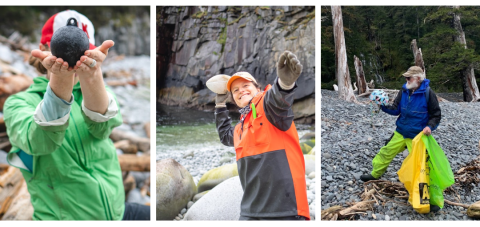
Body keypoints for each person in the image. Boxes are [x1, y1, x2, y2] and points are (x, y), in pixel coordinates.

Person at [4, 10, 149, 220]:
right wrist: (60, 81)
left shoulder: (96, 91)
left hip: (117, 213)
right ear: (44, 49)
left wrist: (93, 76)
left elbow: (103, 127)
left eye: (84, 55)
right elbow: (40, 141)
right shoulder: (18, 104)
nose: (75, 62)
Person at [214, 51, 310, 220]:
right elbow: (224, 136)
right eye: (235, 90)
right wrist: (220, 105)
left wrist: (284, 84)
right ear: (234, 99)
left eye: (245, 86)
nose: (241, 91)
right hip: (250, 211)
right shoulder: (240, 129)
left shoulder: (268, 105)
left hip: (286, 209)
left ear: (257, 88)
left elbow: (278, 100)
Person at [360, 66, 442, 211]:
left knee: (422, 168)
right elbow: (396, 109)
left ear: (418, 79)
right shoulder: (404, 90)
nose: (406, 80)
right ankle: (375, 174)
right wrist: (382, 106)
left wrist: (430, 127)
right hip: (400, 132)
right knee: (385, 152)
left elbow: (436, 115)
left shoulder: (429, 93)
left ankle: (428, 200)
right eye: (406, 78)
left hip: (418, 136)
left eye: (409, 78)